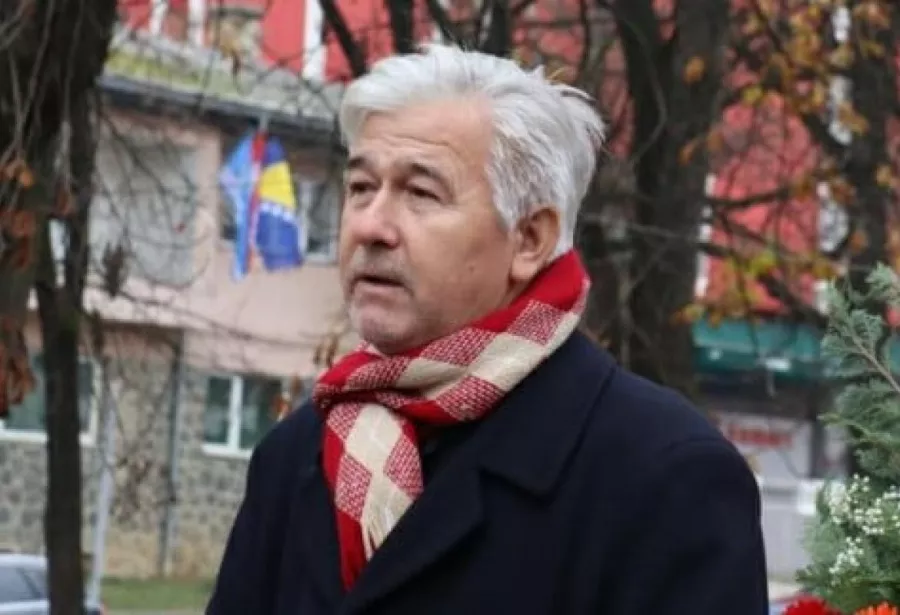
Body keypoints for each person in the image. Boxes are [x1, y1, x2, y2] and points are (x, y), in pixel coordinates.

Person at [206, 44, 769, 615]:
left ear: (529, 239)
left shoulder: (665, 475)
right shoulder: (296, 454)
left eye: (420, 193)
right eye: (361, 188)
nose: (371, 226)